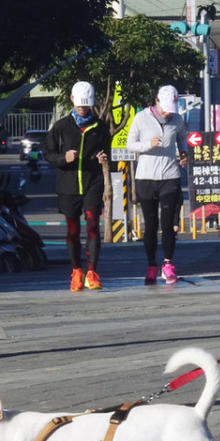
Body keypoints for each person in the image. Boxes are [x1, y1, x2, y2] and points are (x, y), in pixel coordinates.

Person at [44, 81, 110, 292]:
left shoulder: (100, 127)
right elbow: (47, 153)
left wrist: (104, 159)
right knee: (72, 230)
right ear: (72, 100)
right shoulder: (61, 127)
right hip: (68, 184)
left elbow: (109, 154)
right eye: (80, 105)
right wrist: (64, 158)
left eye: (86, 105)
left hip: (93, 182)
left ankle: (92, 272)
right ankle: (76, 272)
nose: (83, 108)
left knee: (92, 226)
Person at [126, 85, 188, 284]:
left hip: (170, 175)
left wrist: (184, 154)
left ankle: (168, 264)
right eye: (166, 107)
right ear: (157, 101)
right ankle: (151, 264)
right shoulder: (141, 118)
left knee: (169, 224)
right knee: (150, 225)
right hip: (146, 177)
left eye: (172, 108)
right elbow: (129, 144)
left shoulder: (177, 119)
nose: (168, 112)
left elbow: (181, 140)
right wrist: (147, 145)